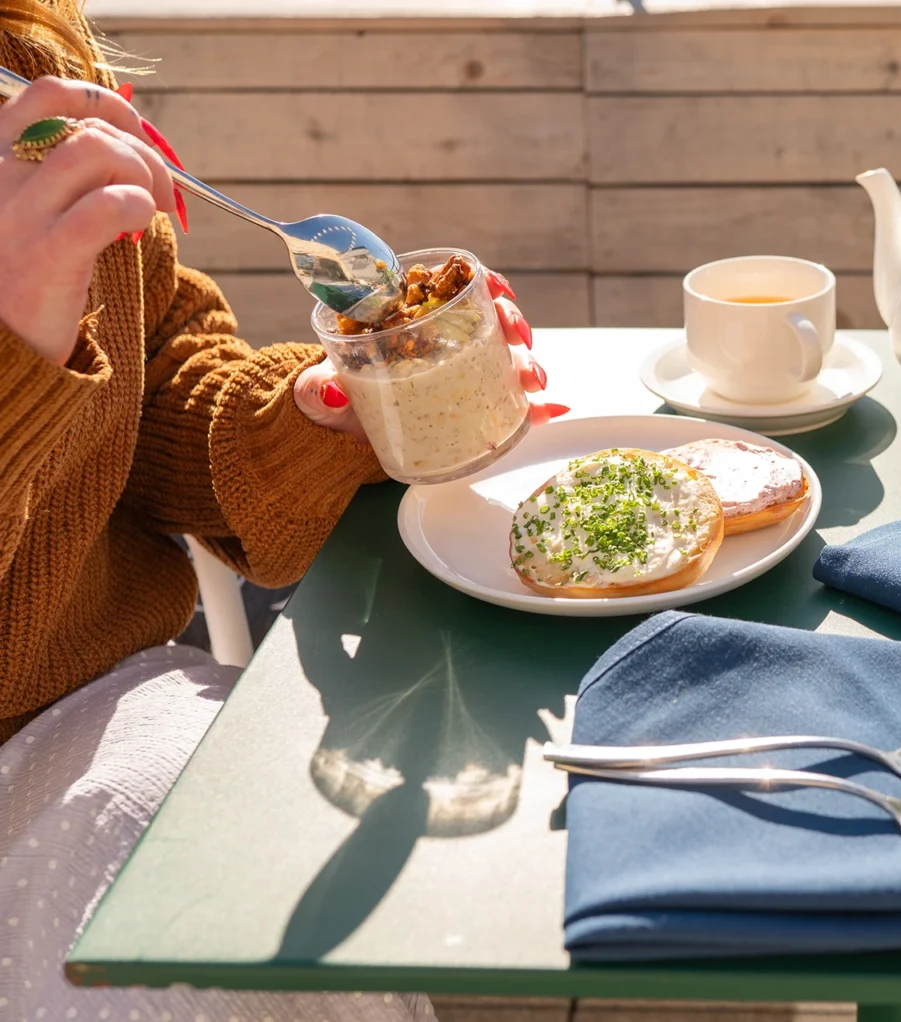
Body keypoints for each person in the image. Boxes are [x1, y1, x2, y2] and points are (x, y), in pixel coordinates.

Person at [0, 2, 563, 1017]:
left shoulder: (25, 70)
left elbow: (149, 372)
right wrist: (12, 347)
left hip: (95, 711)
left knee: (262, 858)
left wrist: (320, 414)